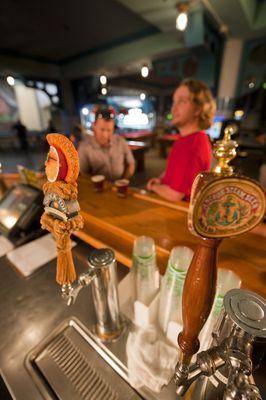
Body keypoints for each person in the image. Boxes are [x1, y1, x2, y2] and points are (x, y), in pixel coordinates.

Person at [147, 79, 216, 202]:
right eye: (174, 102)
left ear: (198, 109)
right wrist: (160, 179)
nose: (173, 108)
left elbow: (175, 195)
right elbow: (173, 171)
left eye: (182, 101)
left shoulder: (193, 144)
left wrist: (153, 186)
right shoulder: (187, 139)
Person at [78, 108, 135, 180]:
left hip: (119, 185)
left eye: (109, 130)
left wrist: (124, 180)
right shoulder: (84, 147)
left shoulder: (120, 141)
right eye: (102, 129)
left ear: (113, 128)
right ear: (94, 126)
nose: (105, 135)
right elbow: (82, 175)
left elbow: (131, 163)